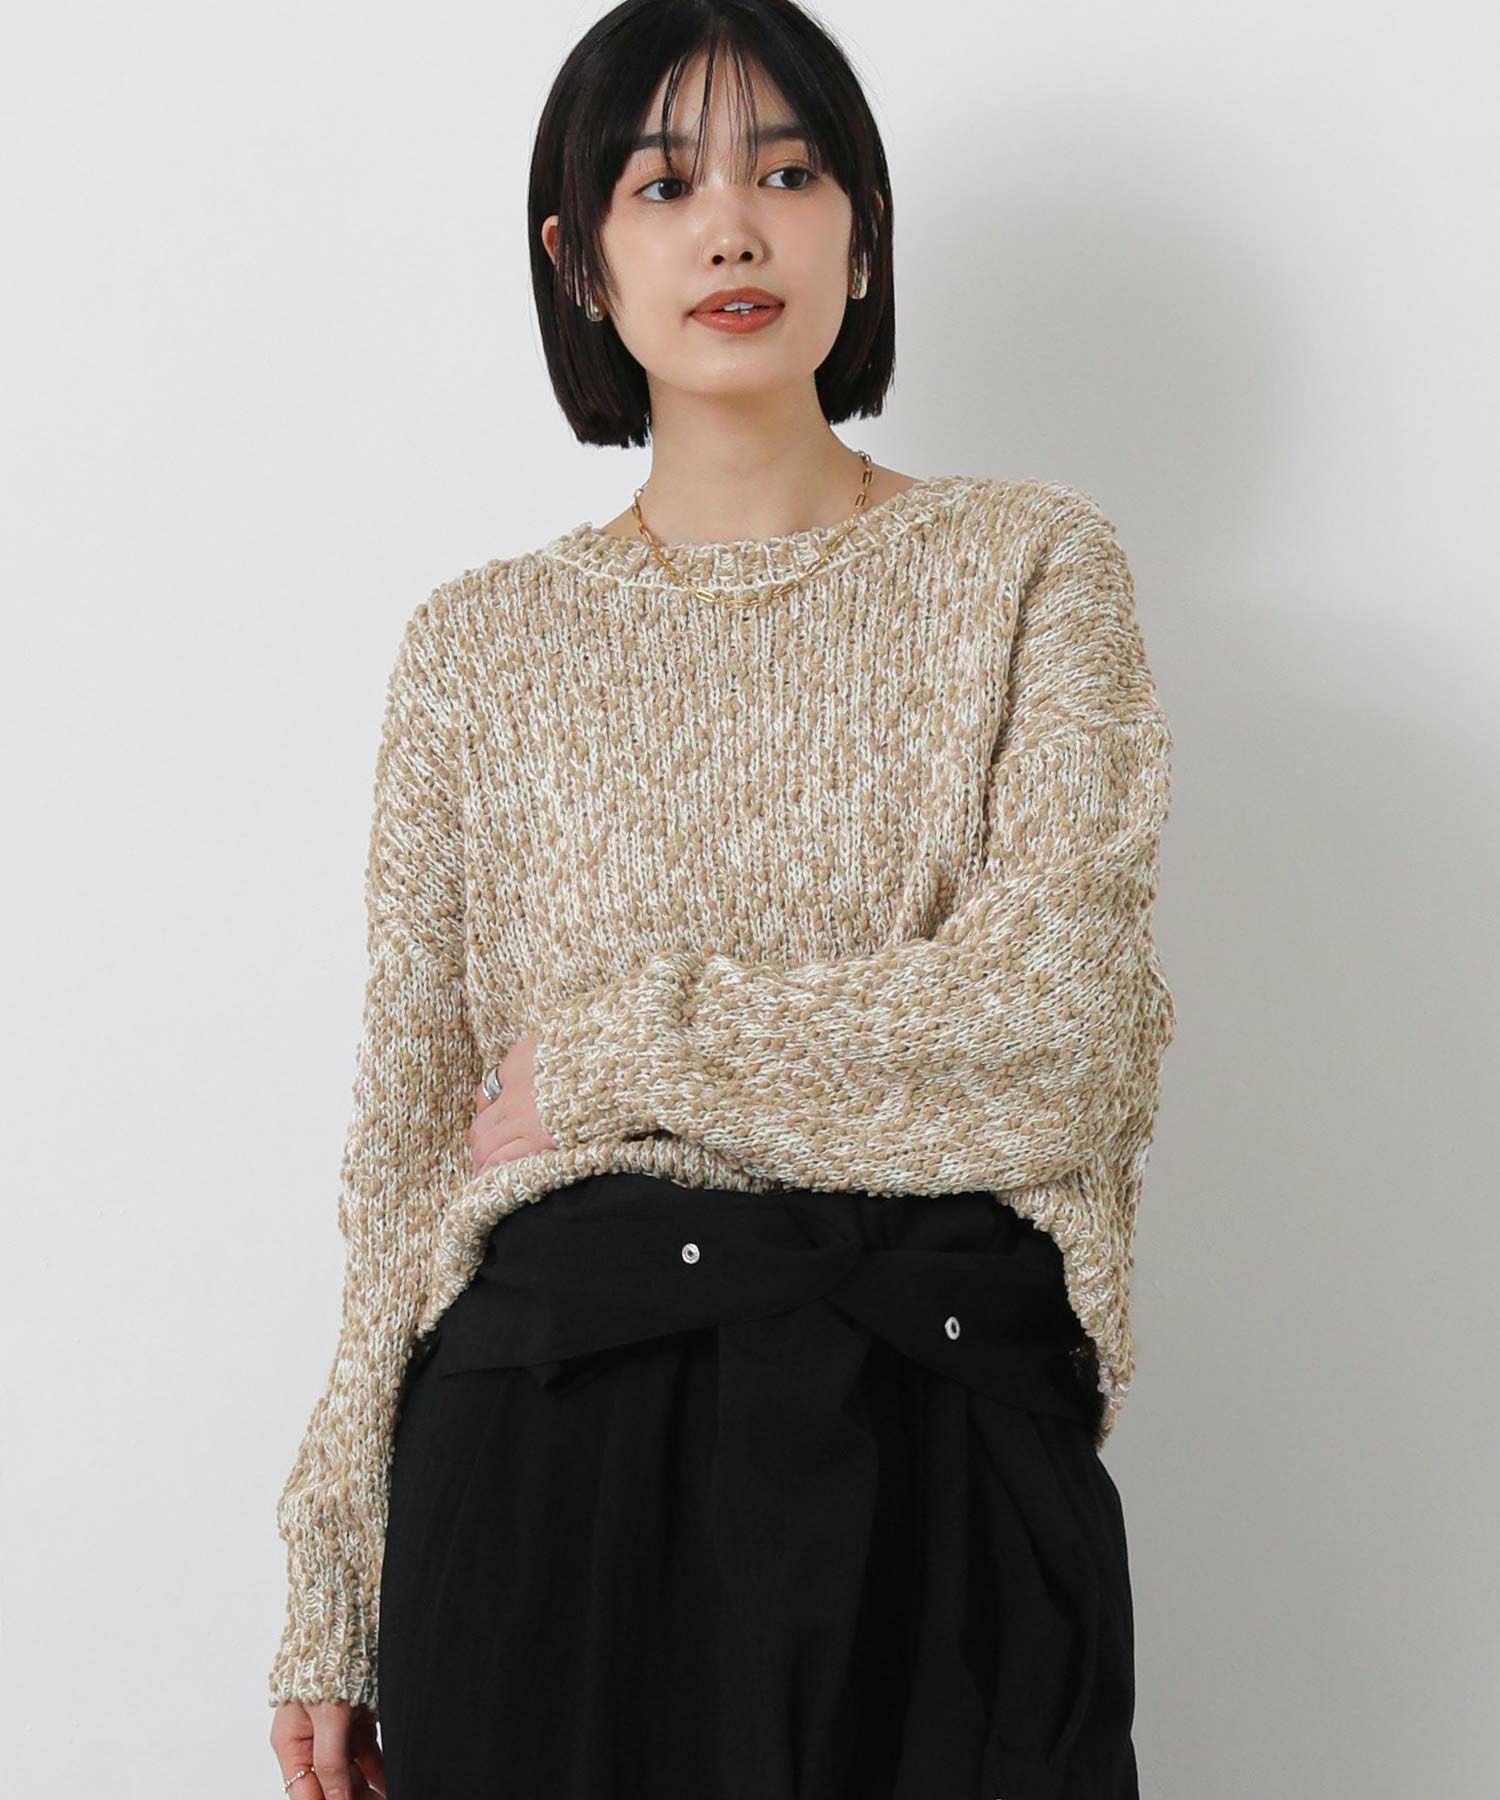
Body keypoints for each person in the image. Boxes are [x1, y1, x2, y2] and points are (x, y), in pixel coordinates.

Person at [266, 1, 1177, 1796]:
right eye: (664, 184)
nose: (735, 229)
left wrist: (620, 1058)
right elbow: (411, 1148)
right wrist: (332, 1584)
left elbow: (1064, 1038)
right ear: (579, 257)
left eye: (790, 171)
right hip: (552, 1457)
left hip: (938, 1422)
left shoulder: (1028, 566)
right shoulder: (480, 651)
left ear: (865, 229)